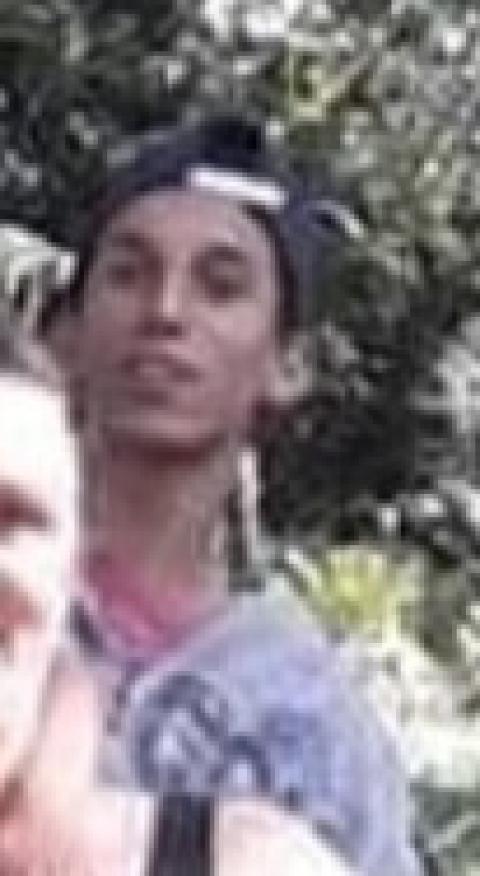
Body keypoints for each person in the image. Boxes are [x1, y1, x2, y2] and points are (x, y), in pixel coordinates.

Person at [52, 112, 420, 874]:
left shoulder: (313, 725)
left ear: (288, 364)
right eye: (129, 274)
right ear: (70, 334)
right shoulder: (19, 607)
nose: (165, 312)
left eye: (220, 287)